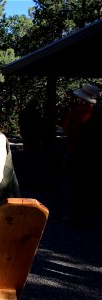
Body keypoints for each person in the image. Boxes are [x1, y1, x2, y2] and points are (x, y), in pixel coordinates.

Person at [62, 83, 101, 224]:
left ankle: (73, 215)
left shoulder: (75, 113)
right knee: (88, 186)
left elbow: (66, 130)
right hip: (93, 156)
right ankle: (86, 215)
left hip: (74, 154)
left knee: (72, 186)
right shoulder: (99, 113)